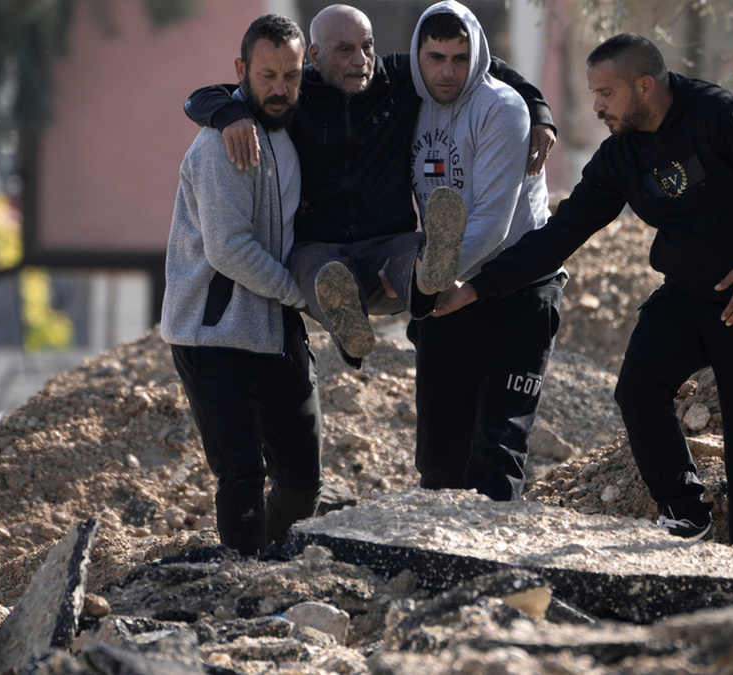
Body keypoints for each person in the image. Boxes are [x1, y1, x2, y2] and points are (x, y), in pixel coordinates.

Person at [434, 33, 733, 556]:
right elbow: (560, 234)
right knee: (638, 388)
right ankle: (685, 510)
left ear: (645, 86)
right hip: (688, 294)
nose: (596, 107)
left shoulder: (716, 116)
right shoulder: (621, 155)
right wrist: (476, 288)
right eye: (594, 94)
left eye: (606, 93)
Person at [182, 4, 556, 366]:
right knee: (315, 268)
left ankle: (428, 278)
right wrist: (229, 113)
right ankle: (351, 329)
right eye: (345, 50)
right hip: (320, 244)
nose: (361, 60)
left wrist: (537, 109)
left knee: (415, 254)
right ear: (315, 56)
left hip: (389, 245)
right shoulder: (295, 90)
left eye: (367, 46)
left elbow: (481, 64)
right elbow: (203, 96)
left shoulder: (398, 79)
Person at [161, 14, 322, 557]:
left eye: (291, 76)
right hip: (215, 335)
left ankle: (273, 564)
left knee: (303, 479)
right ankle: (242, 582)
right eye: (267, 75)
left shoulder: (298, 126)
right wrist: (303, 296)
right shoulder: (223, 143)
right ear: (241, 70)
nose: (280, 89)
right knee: (242, 475)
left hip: (277, 330)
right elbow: (228, 249)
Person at [401, 1, 561, 500]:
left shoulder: (502, 107)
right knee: (438, 461)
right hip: (443, 287)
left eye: (460, 58)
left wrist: (424, 285)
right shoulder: (405, 101)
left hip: (515, 288)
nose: (447, 71)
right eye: (436, 58)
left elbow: (492, 224)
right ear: (417, 56)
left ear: (478, 57)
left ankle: (492, 555)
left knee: (496, 456)